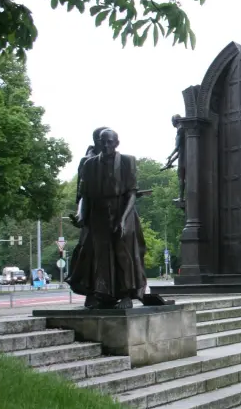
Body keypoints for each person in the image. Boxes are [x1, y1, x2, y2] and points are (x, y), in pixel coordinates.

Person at [66, 128, 148, 309]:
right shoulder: (89, 164)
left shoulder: (127, 161)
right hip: (98, 212)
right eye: (103, 141)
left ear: (116, 143)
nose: (106, 145)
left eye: (110, 141)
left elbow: (132, 193)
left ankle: (127, 294)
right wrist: (82, 216)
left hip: (122, 209)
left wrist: (123, 219)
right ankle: (102, 294)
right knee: (100, 255)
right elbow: (85, 196)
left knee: (124, 253)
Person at [162, 114, 186, 205]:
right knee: (184, 178)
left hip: (183, 159)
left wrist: (170, 156)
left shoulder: (180, 130)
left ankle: (181, 197)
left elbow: (177, 147)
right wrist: (171, 161)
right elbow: (180, 150)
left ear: (175, 121)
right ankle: (182, 197)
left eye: (172, 121)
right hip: (185, 157)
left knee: (181, 178)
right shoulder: (184, 129)